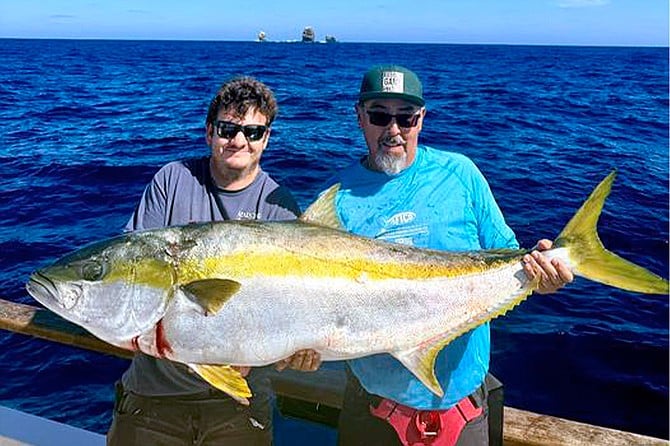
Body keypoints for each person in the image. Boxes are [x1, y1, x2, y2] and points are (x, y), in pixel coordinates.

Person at [333, 65, 573, 446]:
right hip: (372, 415)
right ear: (359, 116)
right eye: (379, 115)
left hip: (463, 413)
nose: (393, 130)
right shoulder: (337, 200)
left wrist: (543, 277)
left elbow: (512, 259)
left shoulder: (461, 173)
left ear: (421, 119)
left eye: (405, 117)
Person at [107, 76, 320, 445]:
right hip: (153, 396)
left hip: (238, 404)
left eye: (253, 132)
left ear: (266, 139)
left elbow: (290, 302)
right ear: (209, 132)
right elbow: (133, 274)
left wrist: (302, 344)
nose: (239, 141)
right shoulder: (172, 180)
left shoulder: (278, 204)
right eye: (228, 129)